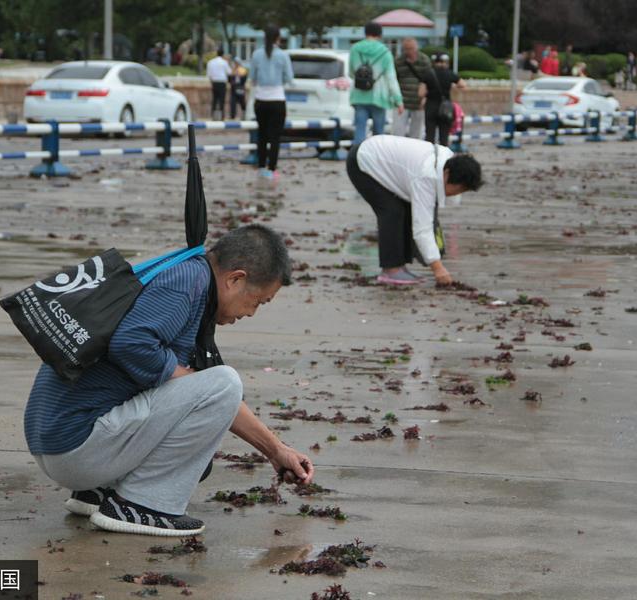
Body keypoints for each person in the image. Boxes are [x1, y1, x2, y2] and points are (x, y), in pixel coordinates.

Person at [25, 225, 314, 537]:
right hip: (77, 449)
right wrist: (186, 380)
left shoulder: (189, 275)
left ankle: (99, 492)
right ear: (235, 279)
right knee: (225, 382)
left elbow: (210, 394)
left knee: (217, 385)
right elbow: (131, 343)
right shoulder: (185, 284)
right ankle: (142, 505)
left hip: (60, 446)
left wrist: (275, 451)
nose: (253, 313)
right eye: (259, 301)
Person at [346, 134, 482, 287]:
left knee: (406, 208)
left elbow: (434, 208)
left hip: (382, 158)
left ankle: (400, 267)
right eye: (456, 190)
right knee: (392, 211)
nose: (455, 194)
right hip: (363, 162)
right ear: (446, 174)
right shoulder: (426, 176)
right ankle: (391, 270)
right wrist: (438, 269)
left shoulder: (448, 163)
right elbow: (422, 228)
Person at [349, 21, 403, 147]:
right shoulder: (385, 52)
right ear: (380, 34)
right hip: (379, 97)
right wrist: (398, 100)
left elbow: (351, 73)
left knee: (360, 132)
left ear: (365, 32)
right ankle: (376, 163)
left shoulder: (355, 48)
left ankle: (357, 162)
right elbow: (391, 78)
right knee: (378, 136)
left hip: (359, 95)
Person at [250, 26, 293, 182]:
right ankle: (272, 169)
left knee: (261, 135)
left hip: (260, 99)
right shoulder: (283, 55)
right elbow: (289, 78)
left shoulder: (256, 55)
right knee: (275, 137)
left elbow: (252, 77)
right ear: (278, 38)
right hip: (277, 99)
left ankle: (261, 168)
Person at [423, 53, 465, 146]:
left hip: (431, 106)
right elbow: (462, 84)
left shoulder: (428, 74)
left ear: (434, 62)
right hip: (445, 107)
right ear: (445, 62)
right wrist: (452, 87)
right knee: (444, 136)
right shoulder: (449, 73)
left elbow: (420, 93)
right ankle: (444, 157)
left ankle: (429, 157)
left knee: (429, 136)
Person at [393, 38, 432, 139]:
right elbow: (394, 80)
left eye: (411, 48)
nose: (409, 51)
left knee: (416, 133)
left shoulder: (424, 60)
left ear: (416, 48)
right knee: (398, 133)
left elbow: (430, 81)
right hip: (402, 102)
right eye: (406, 49)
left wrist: (425, 98)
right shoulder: (398, 61)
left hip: (419, 102)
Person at [207, 48, 232, 121]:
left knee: (214, 100)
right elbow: (229, 72)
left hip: (214, 83)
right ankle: (222, 117)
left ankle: (213, 116)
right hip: (222, 83)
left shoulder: (210, 62)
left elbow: (209, 75)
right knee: (222, 100)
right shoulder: (224, 62)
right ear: (223, 54)